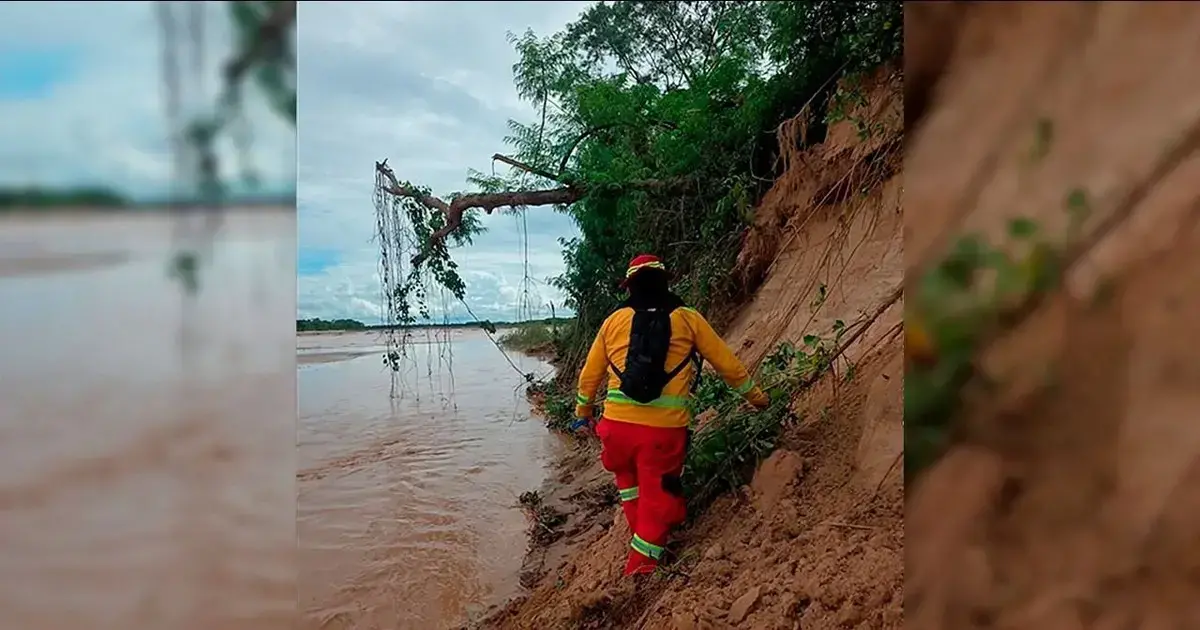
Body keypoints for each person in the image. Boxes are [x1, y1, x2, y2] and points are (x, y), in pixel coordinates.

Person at [572, 253, 770, 577]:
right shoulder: (688, 318)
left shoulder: (612, 322)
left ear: (629, 285)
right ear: (666, 281)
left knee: (628, 482)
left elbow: (589, 377)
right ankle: (640, 572)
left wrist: (583, 413)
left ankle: (642, 538)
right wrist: (758, 399)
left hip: (615, 431)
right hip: (662, 436)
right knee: (658, 501)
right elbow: (728, 365)